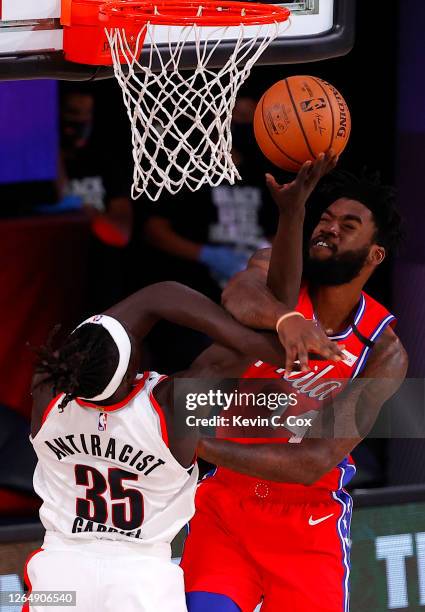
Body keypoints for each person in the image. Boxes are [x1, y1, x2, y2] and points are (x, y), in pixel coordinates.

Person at [24, 153, 341, 612]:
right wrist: (292, 214)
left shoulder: (47, 393)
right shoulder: (172, 408)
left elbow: (145, 307)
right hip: (142, 584)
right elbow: (165, 298)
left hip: (58, 576)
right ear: (132, 367)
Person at [181, 170, 408, 612]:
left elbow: (313, 461)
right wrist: (287, 321)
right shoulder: (276, 275)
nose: (329, 228)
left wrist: (195, 443)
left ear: (374, 254)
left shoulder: (382, 350)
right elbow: (238, 296)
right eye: (325, 218)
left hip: (309, 522)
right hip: (227, 509)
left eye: (348, 225)